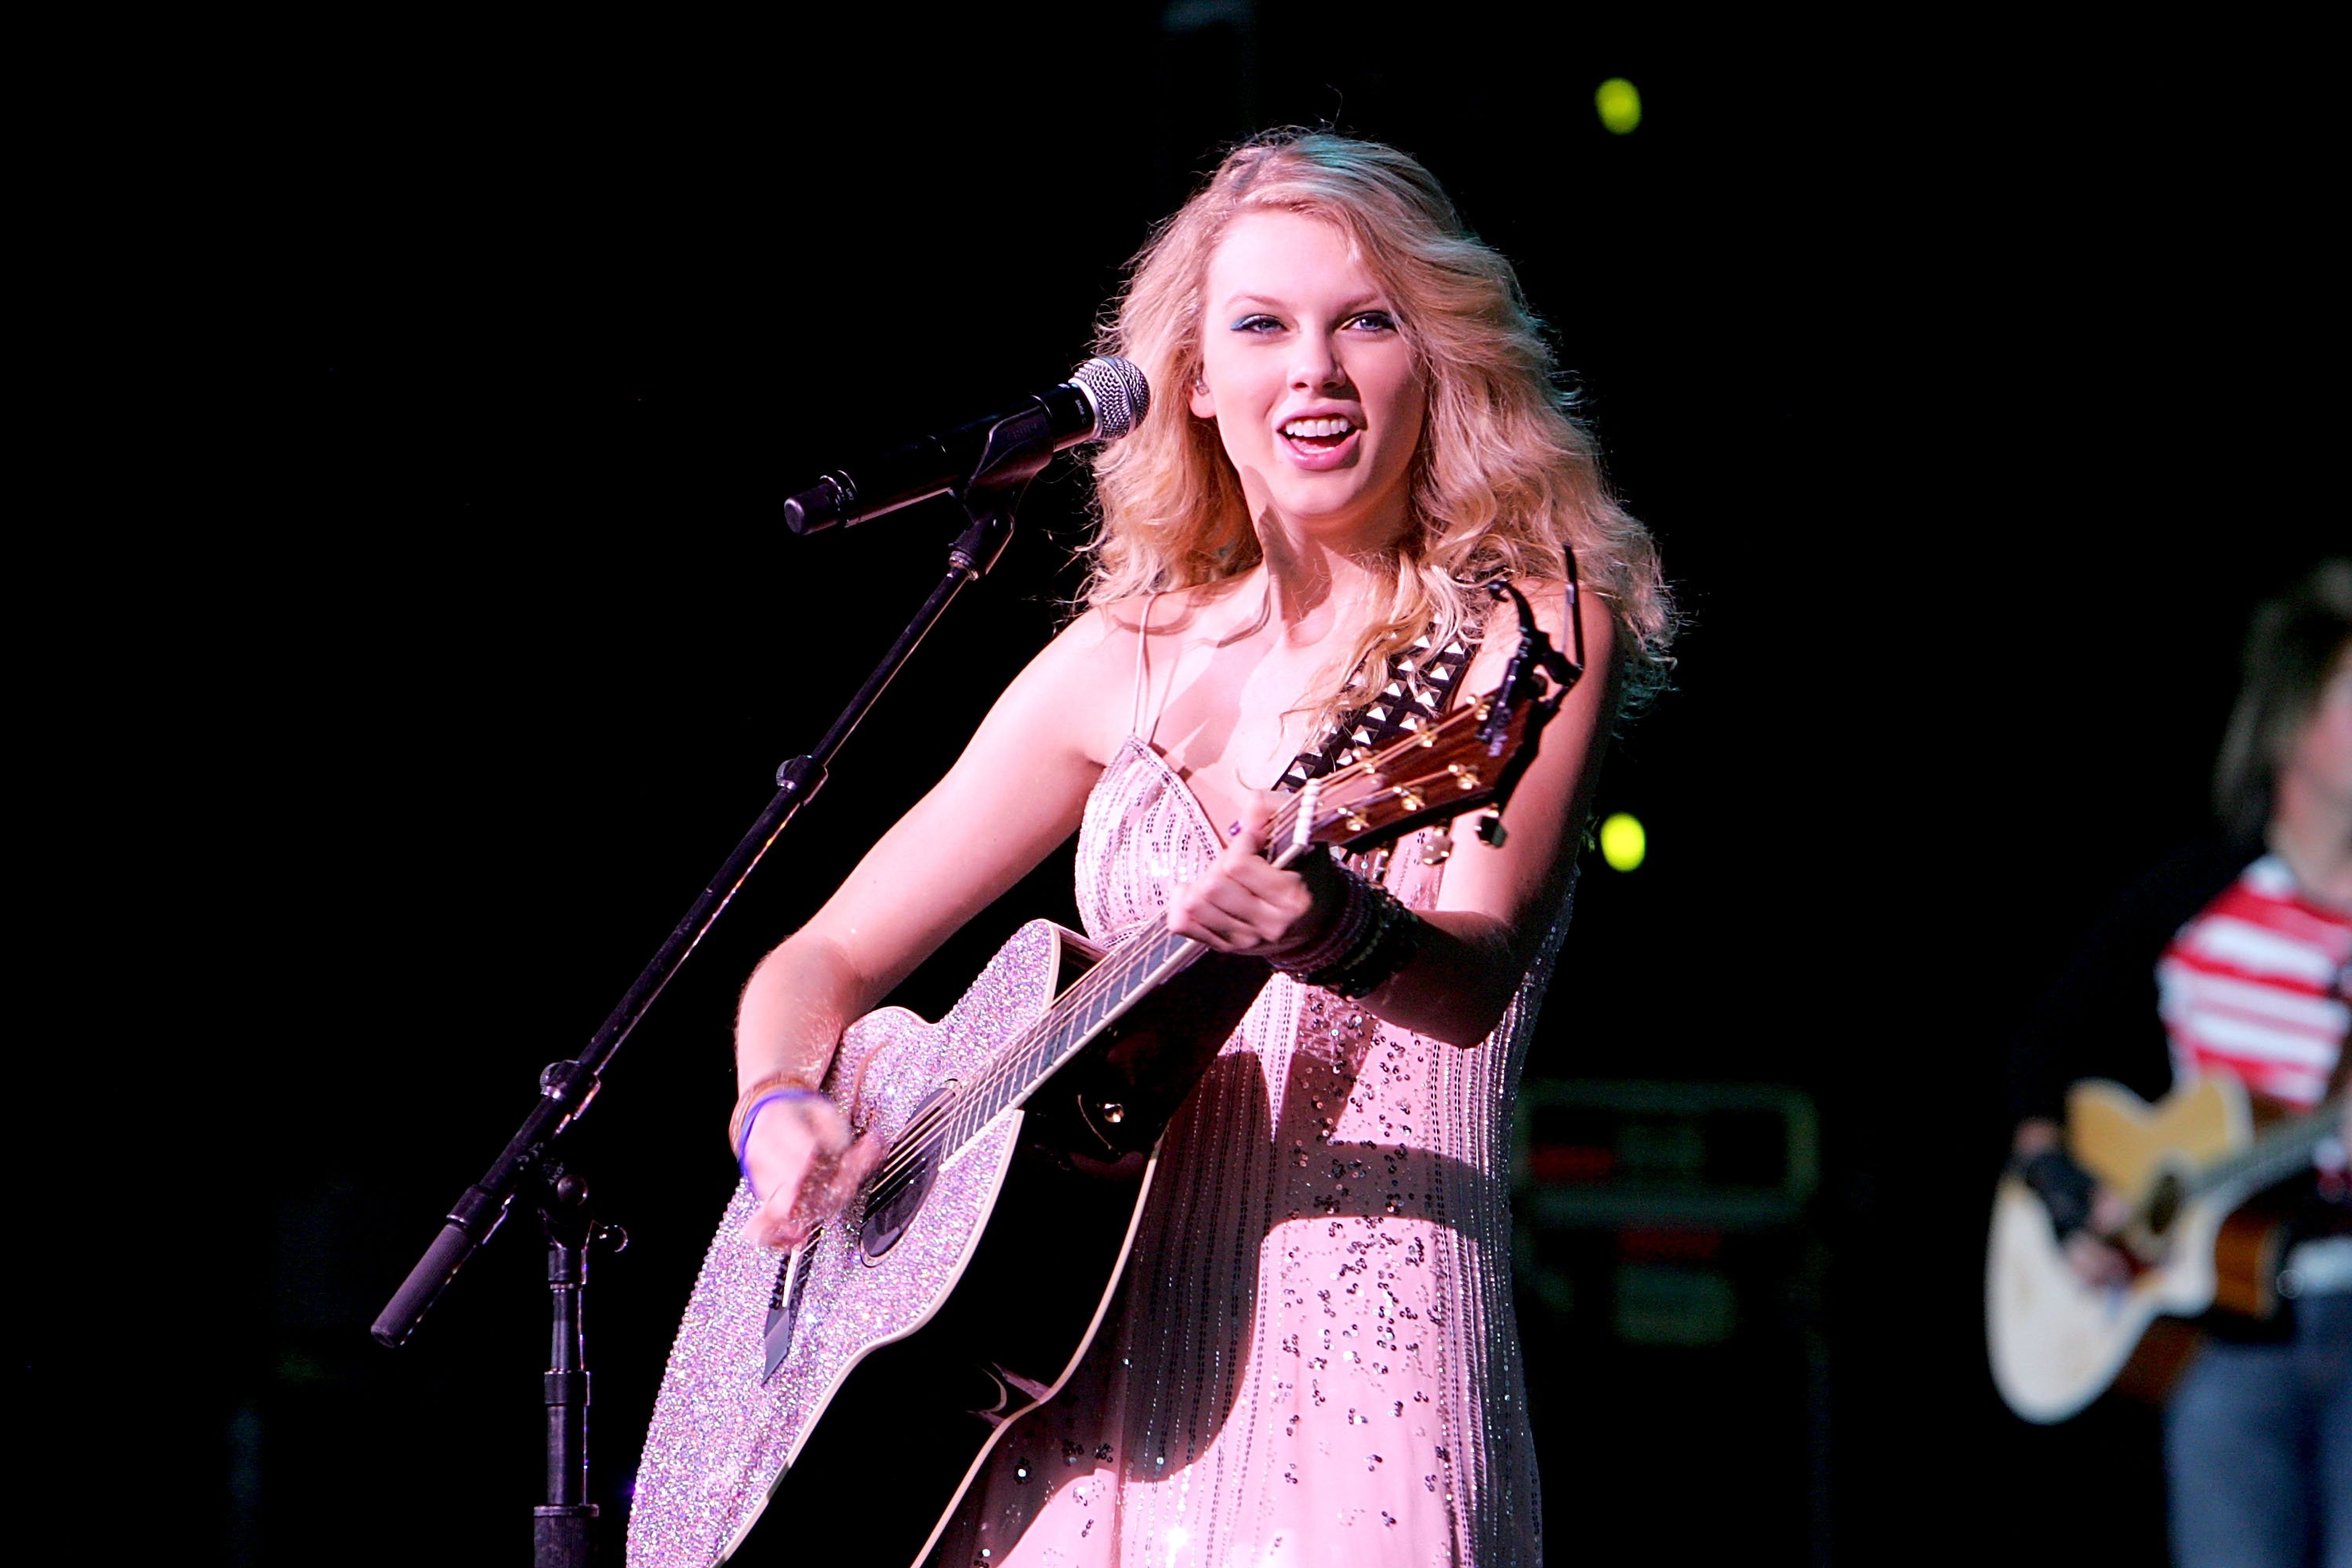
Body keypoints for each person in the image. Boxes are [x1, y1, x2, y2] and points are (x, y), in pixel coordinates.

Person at [728, 132, 1671, 1566]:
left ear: (1439, 360)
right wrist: (778, 1106)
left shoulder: (1525, 628)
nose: (1315, 369)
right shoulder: (1123, 658)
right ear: (1196, 383)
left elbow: (1476, 974)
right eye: (1262, 326)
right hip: (1059, 1382)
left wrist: (1327, 927)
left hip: (1368, 1353)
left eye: (1367, 321)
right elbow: (826, 955)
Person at [2008, 559, 2352, 1568]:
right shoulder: (2196, 892)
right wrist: (2066, 1191)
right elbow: (2044, 1045)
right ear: (2293, 723)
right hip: (2216, 1336)